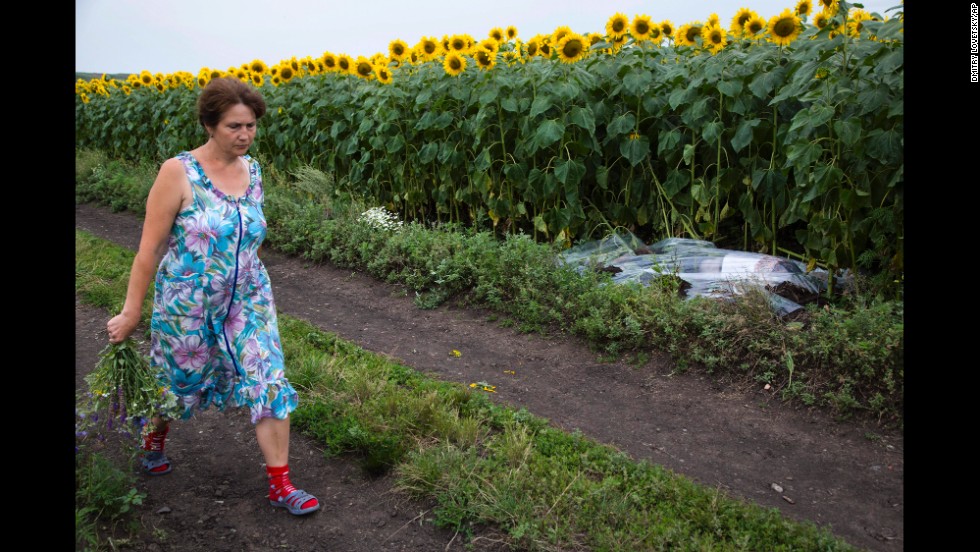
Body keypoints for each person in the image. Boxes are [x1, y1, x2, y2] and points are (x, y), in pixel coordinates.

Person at [106, 77, 319, 516]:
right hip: (188, 300)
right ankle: (154, 438)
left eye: (252, 126)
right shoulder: (178, 172)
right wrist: (131, 311)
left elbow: (250, 234)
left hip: (248, 297)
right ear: (209, 125)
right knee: (177, 384)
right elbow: (148, 250)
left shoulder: (254, 170)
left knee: (267, 378)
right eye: (234, 127)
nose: (245, 135)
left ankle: (281, 484)